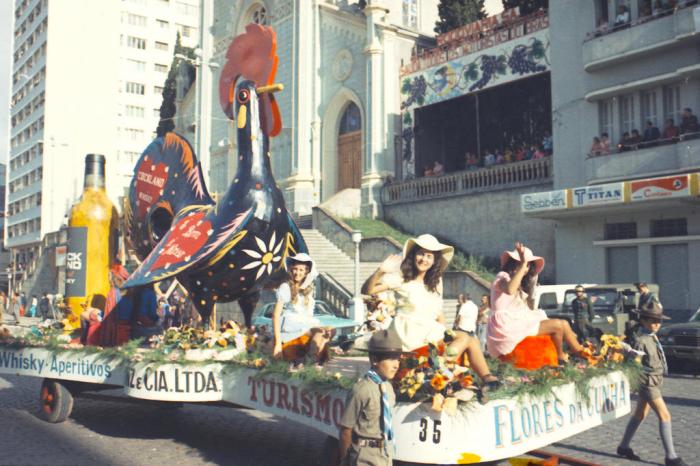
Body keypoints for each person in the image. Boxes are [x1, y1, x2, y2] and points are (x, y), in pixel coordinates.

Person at [363, 234, 499, 386]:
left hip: (430, 331)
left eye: (429, 256)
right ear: (413, 256)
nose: (424, 259)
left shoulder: (435, 283)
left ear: (434, 261)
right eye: (421, 254)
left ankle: (488, 379)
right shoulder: (402, 278)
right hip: (409, 332)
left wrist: (448, 334)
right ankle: (438, 368)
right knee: (463, 338)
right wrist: (380, 271)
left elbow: (438, 312)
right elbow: (368, 290)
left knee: (470, 339)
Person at [616, 303, 688, 466]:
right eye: (653, 321)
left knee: (640, 414)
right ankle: (671, 457)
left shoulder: (651, 335)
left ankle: (623, 446)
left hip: (655, 380)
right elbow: (633, 363)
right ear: (643, 320)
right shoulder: (641, 340)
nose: (657, 324)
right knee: (665, 415)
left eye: (659, 321)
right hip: (648, 383)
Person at [489, 242, 585, 363]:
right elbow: (509, 289)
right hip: (506, 329)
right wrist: (523, 264)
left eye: (529, 265)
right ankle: (573, 356)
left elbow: (529, 308)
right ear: (513, 263)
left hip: (515, 325)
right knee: (558, 325)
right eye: (522, 263)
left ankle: (573, 354)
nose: (525, 268)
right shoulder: (503, 276)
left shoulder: (519, 284)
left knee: (562, 324)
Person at [339, 330, 402, 466]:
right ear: (374, 360)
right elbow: (346, 430)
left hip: (385, 454)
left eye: (398, 359)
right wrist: (344, 461)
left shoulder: (389, 388)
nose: (396, 365)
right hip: (364, 456)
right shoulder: (361, 390)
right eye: (391, 359)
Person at [272, 253, 331, 364]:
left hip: (305, 322)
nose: (297, 273)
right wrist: (278, 343)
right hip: (292, 324)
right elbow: (275, 315)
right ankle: (311, 360)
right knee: (320, 331)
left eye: (301, 270)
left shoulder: (308, 288)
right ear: (291, 269)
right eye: (295, 269)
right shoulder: (285, 286)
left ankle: (310, 358)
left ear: (306, 272)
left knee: (330, 330)